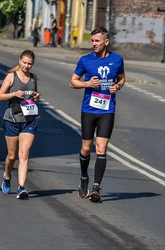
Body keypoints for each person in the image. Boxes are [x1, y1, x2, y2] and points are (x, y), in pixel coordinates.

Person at [70, 27, 125, 202]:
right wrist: (87, 84)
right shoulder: (85, 60)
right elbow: (72, 82)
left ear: (106, 42)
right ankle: (84, 176)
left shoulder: (117, 59)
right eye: (92, 41)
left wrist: (118, 86)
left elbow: (122, 78)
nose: (93, 44)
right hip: (89, 110)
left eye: (97, 41)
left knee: (101, 148)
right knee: (86, 148)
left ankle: (96, 188)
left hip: (107, 110)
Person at [0, 50, 40, 199]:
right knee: (11, 155)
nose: (26, 66)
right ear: (20, 60)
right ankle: (7, 175)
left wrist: (36, 97)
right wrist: (13, 94)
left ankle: (21, 187)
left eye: (29, 64)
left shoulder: (33, 78)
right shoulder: (11, 77)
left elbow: (33, 97)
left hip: (29, 120)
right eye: (24, 62)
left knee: (24, 154)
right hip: (12, 120)